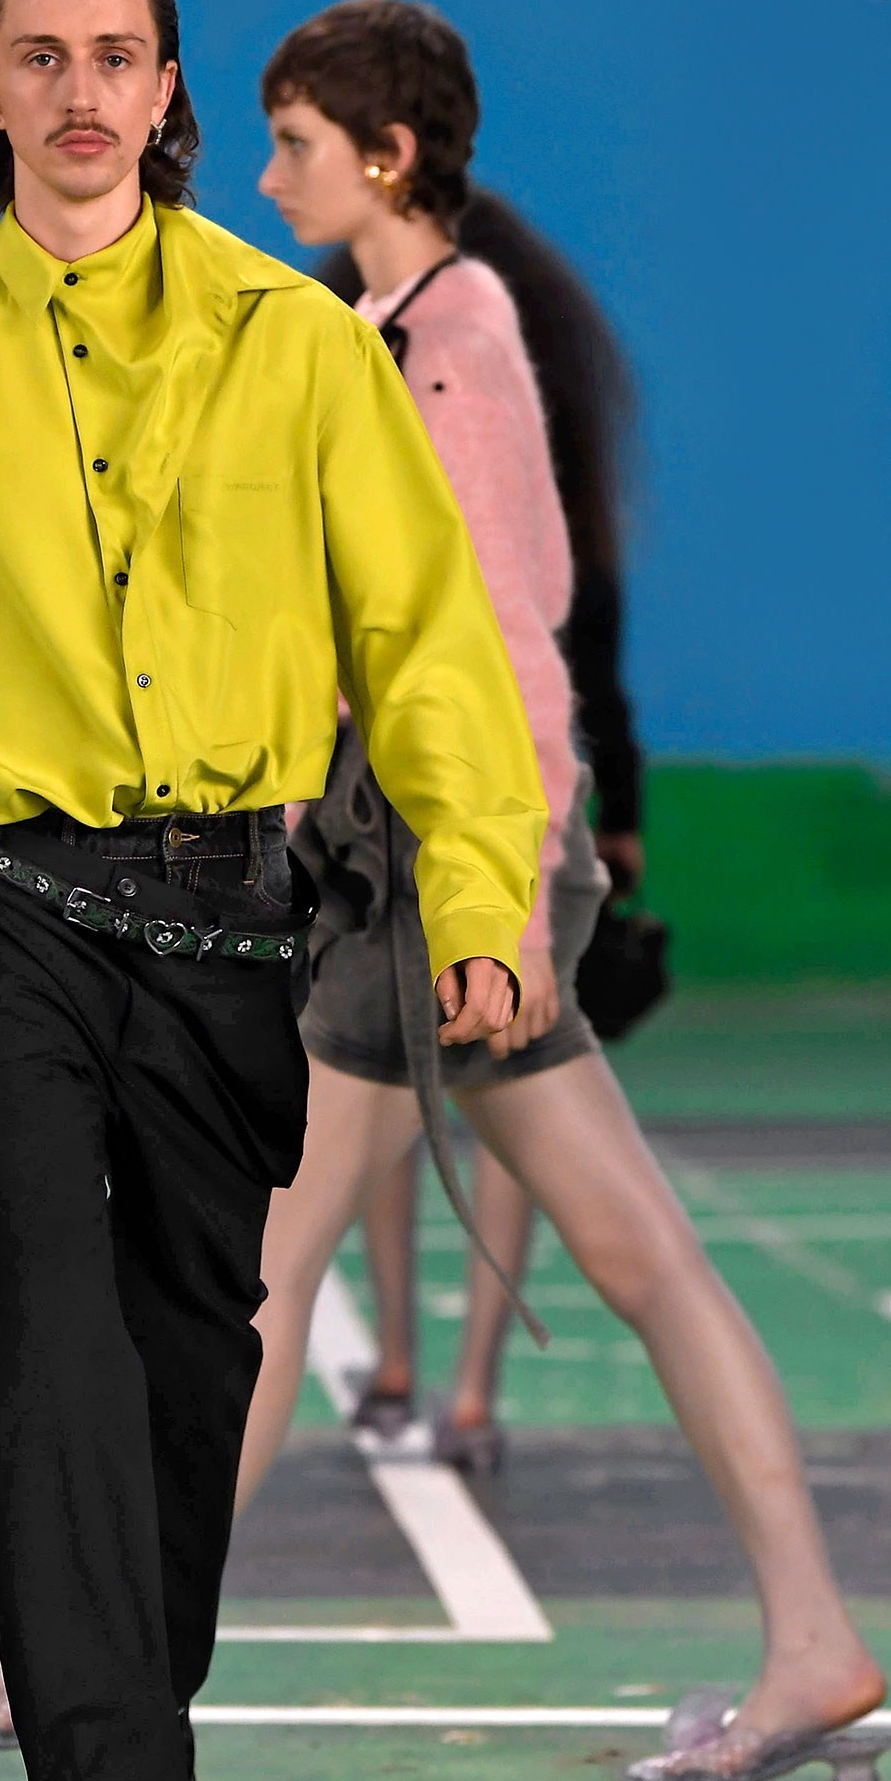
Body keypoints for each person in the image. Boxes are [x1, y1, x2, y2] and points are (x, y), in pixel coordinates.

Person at [0, 0, 547, 1781]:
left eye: (116, 55)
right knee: (48, 1339)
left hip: (223, 916)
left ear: (168, 90)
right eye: (37, 57)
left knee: (192, 1355)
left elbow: (424, 637)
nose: (80, 92)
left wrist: (481, 897)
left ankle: (139, 1745)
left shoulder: (297, 350)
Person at [238, 0, 889, 1781]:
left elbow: (511, 636)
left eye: (295, 144)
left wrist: (509, 907)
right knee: (638, 1257)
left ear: (385, 157)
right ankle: (816, 1647)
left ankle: (86, 1664)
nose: (270, 176)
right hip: (413, 851)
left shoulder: (451, 338)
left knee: (266, 1264)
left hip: (444, 865)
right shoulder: (386, 326)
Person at [315, 188, 643, 1468]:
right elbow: (585, 636)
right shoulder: (529, 411)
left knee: (382, 1094)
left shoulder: (384, 378)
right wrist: (610, 830)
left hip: (397, 794)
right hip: (513, 793)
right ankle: (465, 1392)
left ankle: (403, 1367)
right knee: (507, 1096)